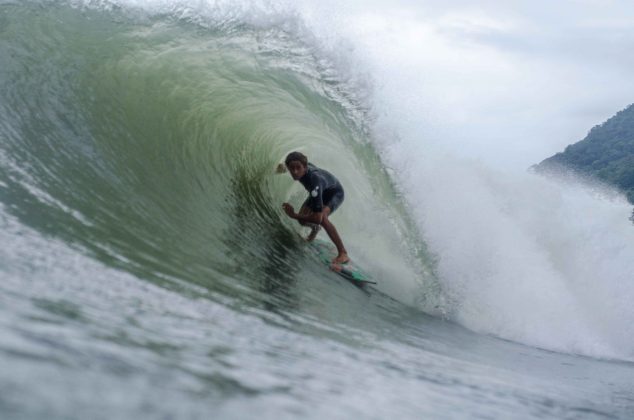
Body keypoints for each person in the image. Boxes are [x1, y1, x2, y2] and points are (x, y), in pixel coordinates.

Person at [280, 151, 349, 264]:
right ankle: (315, 229)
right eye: (291, 168)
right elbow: (291, 165)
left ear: (305, 167)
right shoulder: (298, 167)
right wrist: (281, 168)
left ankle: (343, 253)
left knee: (323, 219)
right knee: (302, 220)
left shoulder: (314, 181)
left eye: (298, 168)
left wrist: (293, 214)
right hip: (319, 191)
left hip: (334, 193)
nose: (295, 172)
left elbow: (318, 218)